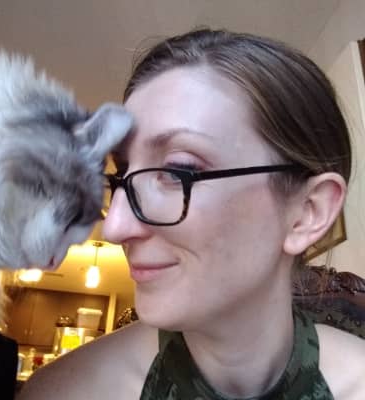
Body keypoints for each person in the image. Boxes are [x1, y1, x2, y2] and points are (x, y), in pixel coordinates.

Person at [18, 29, 365, 400]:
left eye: (177, 170)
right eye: (123, 175)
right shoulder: (66, 392)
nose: (115, 227)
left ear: (308, 212)